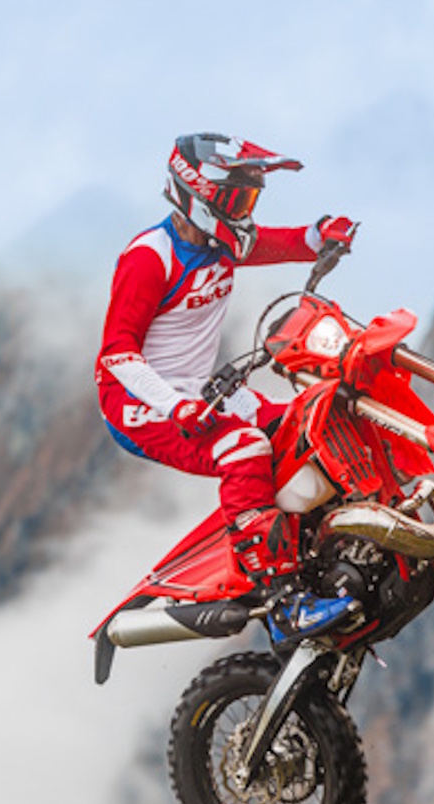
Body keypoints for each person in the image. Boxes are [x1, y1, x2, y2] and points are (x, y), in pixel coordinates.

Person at [96, 132, 358, 639]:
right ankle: (283, 601)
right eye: (237, 200)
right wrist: (174, 406)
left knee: (306, 420)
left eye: (250, 200)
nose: (244, 214)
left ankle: (320, 546)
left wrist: (322, 233)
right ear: (198, 194)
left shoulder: (222, 241)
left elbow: (283, 243)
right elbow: (116, 354)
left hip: (199, 389)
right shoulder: (149, 258)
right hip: (139, 405)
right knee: (244, 449)